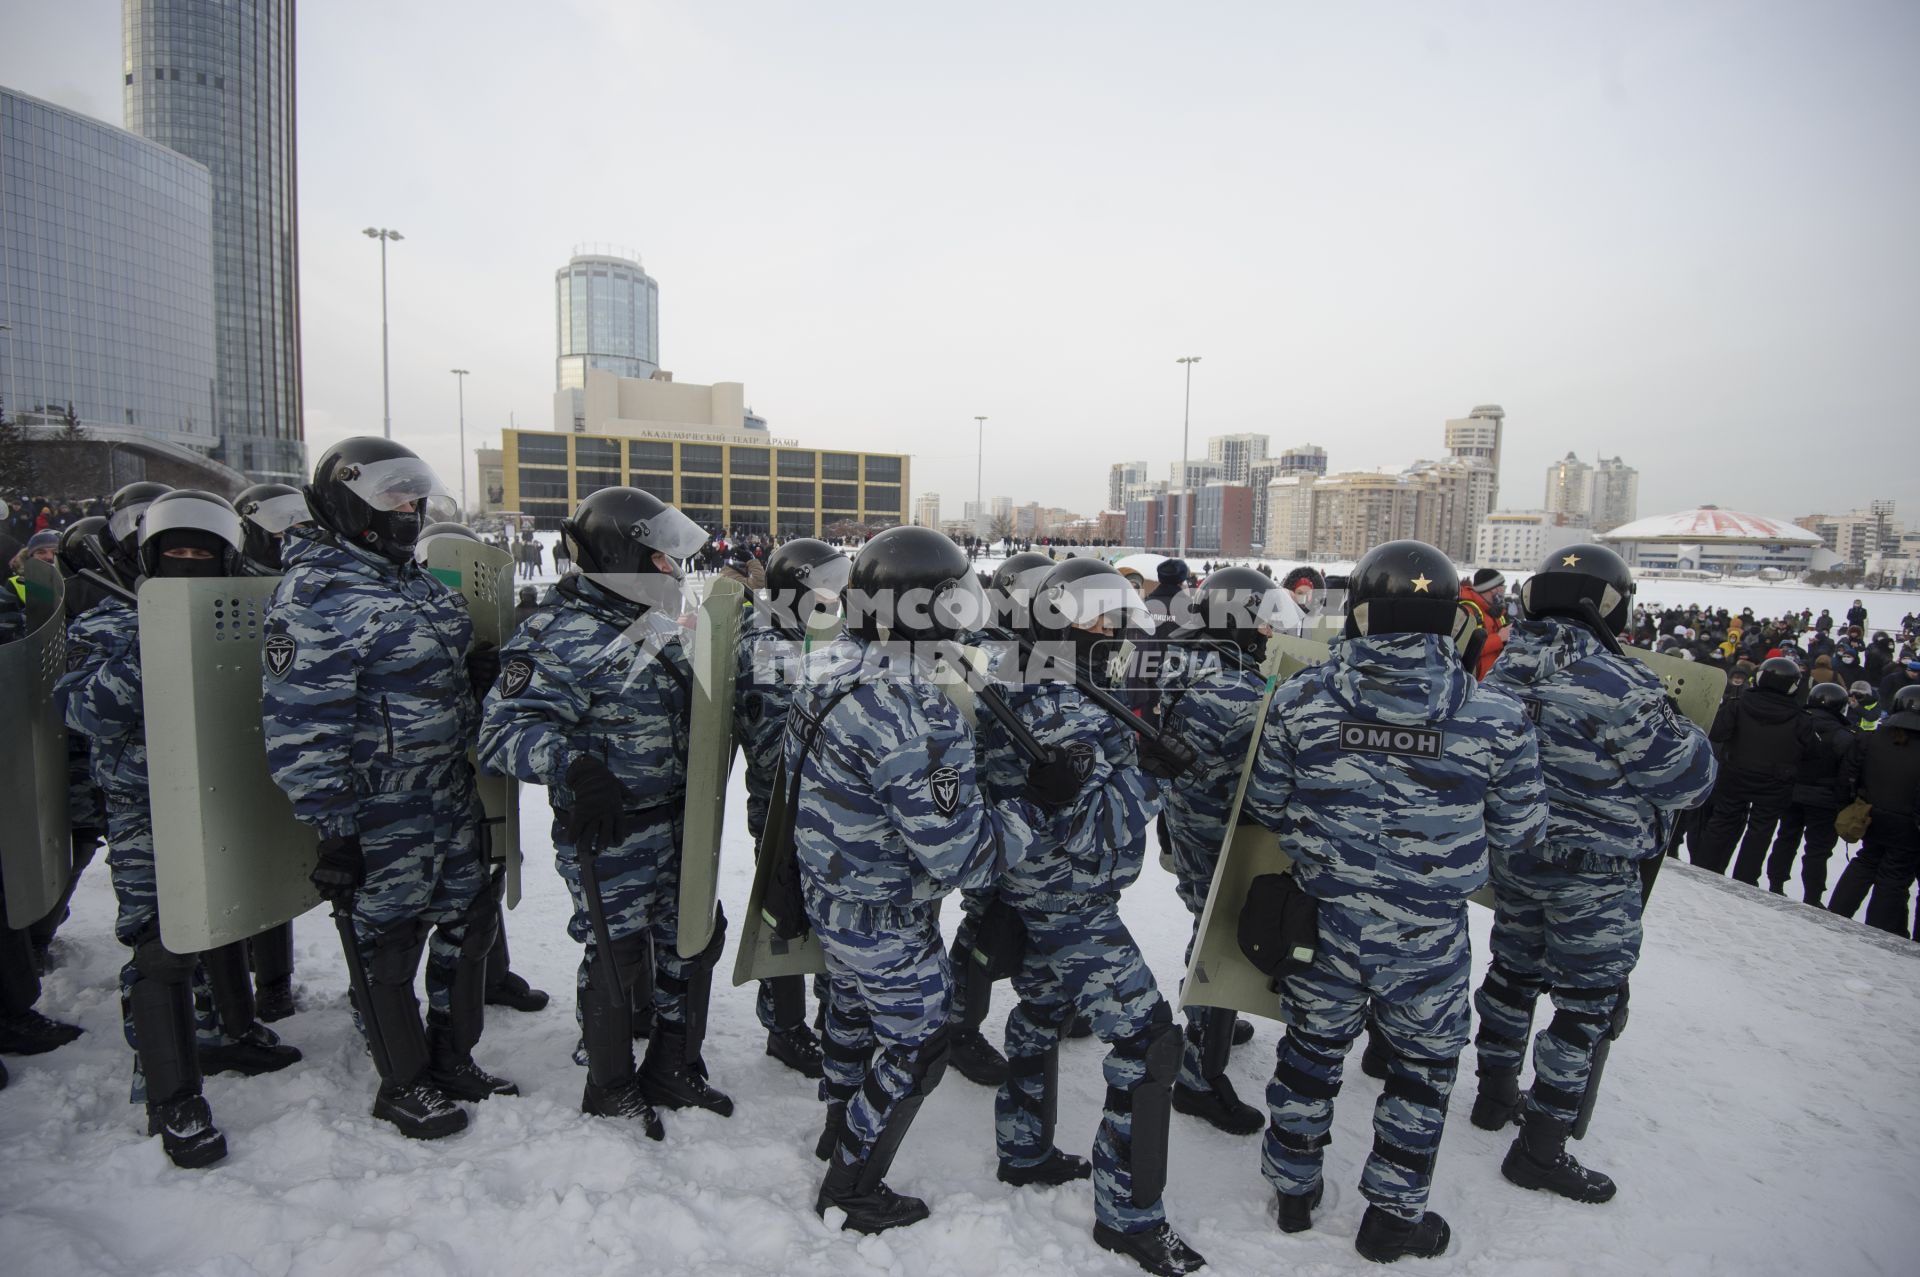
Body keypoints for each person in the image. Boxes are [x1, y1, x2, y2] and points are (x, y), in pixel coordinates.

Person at [1241, 539, 1545, 1263]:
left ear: (1361, 614)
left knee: (1310, 1053)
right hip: (1430, 940)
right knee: (1422, 1071)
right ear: (1451, 620)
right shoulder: (1496, 715)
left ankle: (1292, 1189)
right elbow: (1521, 834)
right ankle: (1392, 1217)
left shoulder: (1301, 698)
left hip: (1323, 923)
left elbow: (1266, 803)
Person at [263, 438, 515, 1142]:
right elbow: (300, 726)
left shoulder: (415, 580)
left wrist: (474, 677)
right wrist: (334, 826)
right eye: (392, 499)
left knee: (469, 922)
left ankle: (452, 1056)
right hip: (378, 804)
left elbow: (428, 672)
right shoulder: (316, 594)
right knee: (388, 940)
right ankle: (403, 1081)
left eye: (413, 499)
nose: (408, 511)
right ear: (349, 502)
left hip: (445, 788)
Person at [794, 526, 1043, 1235]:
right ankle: (852, 1185)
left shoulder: (832, 663)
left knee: (847, 1008)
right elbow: (961, 856)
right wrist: (1035, 807)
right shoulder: (915, 711)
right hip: (883, 912)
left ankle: (838, 1123)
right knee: (918, 1042)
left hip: (833, 892)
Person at [974, 558, 1206, 1276]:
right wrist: (1153, 774)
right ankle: (1130, 1218)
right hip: (1067, 898)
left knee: (1040, 1011)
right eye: (1100, 617)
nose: (1113, 629)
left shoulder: (1038, 680)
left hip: (1043, 892)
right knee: (1148, 1040)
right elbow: (1090, 826)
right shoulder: (1064, 701)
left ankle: (1023, 1149)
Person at [59, 489, 302, 1168]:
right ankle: (169, 1093)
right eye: (176, 552)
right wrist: (154, 646)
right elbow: (82, 709)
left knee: (223, 917)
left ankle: (232, 1026)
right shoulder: (112, 620)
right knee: (159, 945)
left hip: (219, 791)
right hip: (146, 809)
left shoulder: (239, 612)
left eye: (202, 552)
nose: (189, 562)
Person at [1472, 543, 1716, 1205]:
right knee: (1584, 1006)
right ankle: (1541, 1148)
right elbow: (1688, 781)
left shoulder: (1502, 671)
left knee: (1512, 972)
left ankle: (1493, 1095)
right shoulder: (1621, 682)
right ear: (1610, 603)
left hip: (1519, 857)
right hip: (1596, 873)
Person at [479, 488, 727, 1137]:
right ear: (625, 555)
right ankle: (611, 1085)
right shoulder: (556, 630)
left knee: (689, 941)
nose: (675, 571)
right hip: (610, 828)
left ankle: (672, 1064)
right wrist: (575, 767)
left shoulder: (654, 618)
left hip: (677, 818)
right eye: (663, 558)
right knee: (615, 954)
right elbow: (503, 730)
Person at [1156, 566, 1285, 1137]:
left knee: (1207, 923)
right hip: (1219, 833)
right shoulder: (1230, 689)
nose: (1267, 629)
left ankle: (1217, 1018)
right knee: (1221, 936)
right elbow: (1267, 780)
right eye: (1260, 618)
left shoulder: (1189, 658)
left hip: (1190, 821)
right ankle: (1199, 1078)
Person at [733, 537, 850, 1080]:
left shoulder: (838, 637)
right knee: (783, 921)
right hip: (783, 817)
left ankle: (836, 1015)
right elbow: (764, 738)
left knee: (836, 923)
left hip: (841, 817)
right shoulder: (758, 645)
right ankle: (785, 1028)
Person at [947, 551, 1054, 1087]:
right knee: (987, 917)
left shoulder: (1038, 649)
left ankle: (1051, 999)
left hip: (1037, 813)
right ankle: (959, 1027)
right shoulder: (984, 653)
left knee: (1030, 915)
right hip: (997, 814)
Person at [232, 482, 318, 1022]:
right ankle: (258, 985)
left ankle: (275, 979)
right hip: (243, 742)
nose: (289, 539)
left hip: (308, 745)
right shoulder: (220, 587)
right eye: (279, 530)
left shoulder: (313, 586)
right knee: (252, 864)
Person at [1697, 657, 1805, 883]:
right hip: (1774, 783)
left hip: (1735, 774)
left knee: (1722, 822)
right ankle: (1746, 877)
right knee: (1761, 832)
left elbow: (1717, 732)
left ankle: (1704, 868)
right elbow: (1811, 751)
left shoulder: (1739, 703)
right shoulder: (1799, 717)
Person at [1826, 685, 1920, 935]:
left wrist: (1847, 804)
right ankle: (1881, 929)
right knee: (1894, 877)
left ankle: (1836, 912)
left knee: (1866, 862)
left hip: (1870, 814)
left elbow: (1848, 774)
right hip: (1909, 824)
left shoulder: (1872, 738)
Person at [1764, 682, 1856, 902]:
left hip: (1792, 791)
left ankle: (1775, 882)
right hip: (1824, 799)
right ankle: (1812, 896)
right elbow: (1847, 774)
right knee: (1818, 850)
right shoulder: (1845, 736)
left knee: (1786, 837)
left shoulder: (1796, 722)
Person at [1458, 568, 1510, 679]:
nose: (1503, 591)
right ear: (1492, 589)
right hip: (1474, 685)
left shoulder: (1495, 612)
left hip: (1493, 681)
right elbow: (1463, 649)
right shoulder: (1468, 611)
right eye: (1502, 587)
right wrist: (1499, 638)